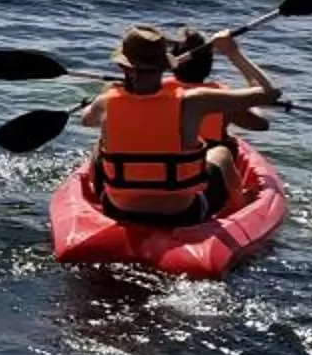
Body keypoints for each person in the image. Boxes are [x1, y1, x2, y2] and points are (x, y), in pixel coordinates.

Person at [79, 22, 280, 222]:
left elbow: (86, 120)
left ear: (123, 66)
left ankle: (93, 198)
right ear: (164, 65)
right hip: (182, 214)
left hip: (117, 209)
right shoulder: (194, 101)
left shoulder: (105, 102)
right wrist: (233, 52)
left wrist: (110, 91)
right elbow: (270, 94)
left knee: (99, 145)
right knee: (221, 153)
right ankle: (239, 208)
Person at [164, 24, 276, 204]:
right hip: (204, 183)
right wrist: (234, 54)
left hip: (166, 174)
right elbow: (261, 124)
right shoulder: (220, 99)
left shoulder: (157, 92)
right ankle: (238, 200)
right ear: (209, 66)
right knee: (223, 150)